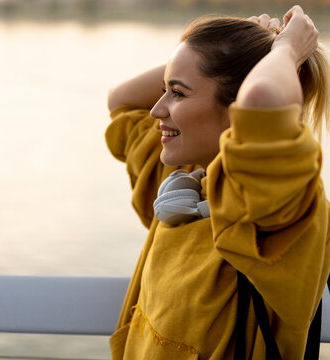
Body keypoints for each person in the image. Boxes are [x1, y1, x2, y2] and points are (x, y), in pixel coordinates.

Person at [105, 5, 330, 359]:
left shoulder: (275, 212)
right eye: (165, 90)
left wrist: (288, 50)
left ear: (237, 108)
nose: (157, 109)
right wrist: (237, 44)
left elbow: (263, 100)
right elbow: (122, 102)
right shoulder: (185, 184)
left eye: (177, 93)